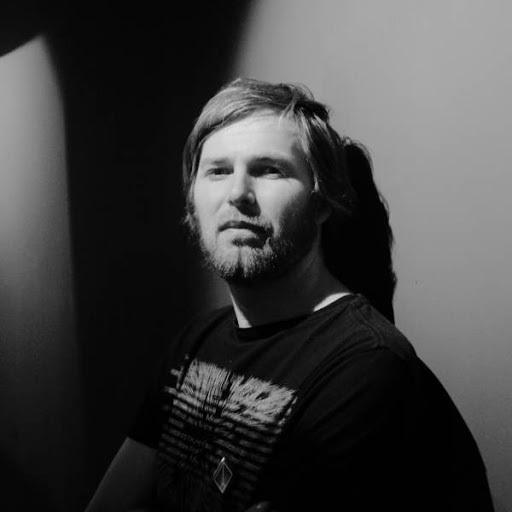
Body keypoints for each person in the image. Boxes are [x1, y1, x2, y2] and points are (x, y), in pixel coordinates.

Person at [85, 78, 494, 512]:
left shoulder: (367, 366)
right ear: (192, 201)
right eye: (218, 171)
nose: (237, 194)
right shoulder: (195, 342)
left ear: (322, 203)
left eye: (269, 170)